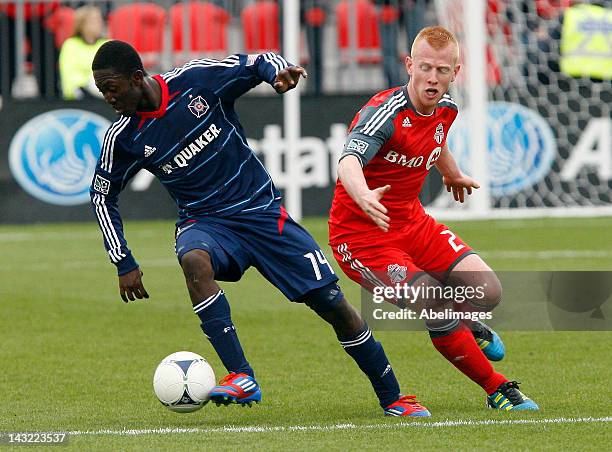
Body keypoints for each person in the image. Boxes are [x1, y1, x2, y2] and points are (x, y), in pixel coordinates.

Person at [89, 40, 430, 417]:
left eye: (111, 87)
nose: (107, 97)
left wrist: (277, 71)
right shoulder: (123, 138)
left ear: (137, 78)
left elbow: (254, 62)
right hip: (205, 221)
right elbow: (102, 196)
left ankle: (393, 398)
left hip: (262, 213)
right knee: (193, 259)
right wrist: (123, 261)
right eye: (102, 89)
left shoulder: (195, 81)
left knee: (334, 307)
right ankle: (241, 375)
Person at [328, 26, 539, 411]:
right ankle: (497, 389)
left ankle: (473, 325)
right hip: (362, 239)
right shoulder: (384, 114)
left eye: (442, 70)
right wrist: (361, 194)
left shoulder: (448, 108)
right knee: (437, 305)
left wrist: (451, 172)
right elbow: (349, 159)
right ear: (409, 65)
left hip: (414, 225)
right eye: (425, 67)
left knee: (488, 291)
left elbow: (435, 141)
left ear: (455, 73)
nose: (432, 77)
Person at [59, 5, 107, 100]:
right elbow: (69, 76)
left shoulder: (108, 44)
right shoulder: (70, 45)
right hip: (79, 98)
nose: (100, 23)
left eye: (100, 19)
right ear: (82, 24)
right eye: (94, 20)